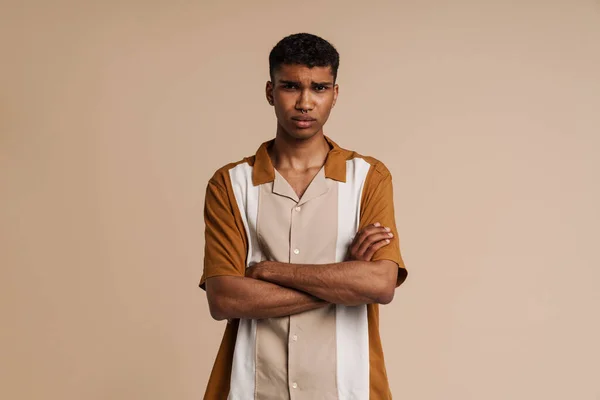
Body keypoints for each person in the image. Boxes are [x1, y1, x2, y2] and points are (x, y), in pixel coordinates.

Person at [198, 32, 408, 400]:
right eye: (291, 86)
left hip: (349, 391)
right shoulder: (230, 184)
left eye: (320, 88)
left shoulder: (368, 178)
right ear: (270, 91)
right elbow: (225, 299)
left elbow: (379, 285)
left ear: (335, 94)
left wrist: (269, 271)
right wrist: (345, 281)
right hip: (253, 390)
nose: (305, 102)